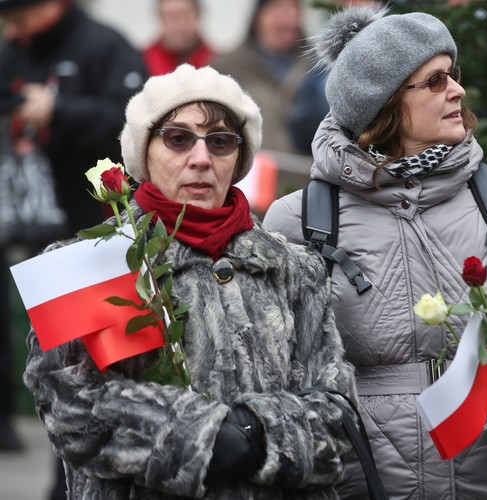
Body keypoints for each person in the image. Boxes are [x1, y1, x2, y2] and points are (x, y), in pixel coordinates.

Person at [263, 6, 487, 499]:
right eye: (434, 82)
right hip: (363, 480)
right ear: (382, 106)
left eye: (454, 75)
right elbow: (279, 375)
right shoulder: (301, 217)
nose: (457, 90)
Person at [23, 64, 358, 499]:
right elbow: (70, 412)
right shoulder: (85, 266)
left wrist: (256, 434)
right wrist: (204, 438)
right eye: (178, 139)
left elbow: (337, 415)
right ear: (145, 151)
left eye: (220, 141)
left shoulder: (295, 269)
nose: (201, 159)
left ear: (238, 158)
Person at [0, 0, 146, 460]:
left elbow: (135, 121)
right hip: (22, 220)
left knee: (100, 363)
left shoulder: (104, 45)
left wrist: (60, 112)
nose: (13, 29)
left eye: (21, 17)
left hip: (90, 233)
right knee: (50, 370)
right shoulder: (15, 49)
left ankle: (103, 464)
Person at [212, 0, 322, 155]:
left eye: (294, 10)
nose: (288, 20)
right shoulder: (228, 67)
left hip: (308, 169)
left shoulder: (318, 64)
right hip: (249, 170)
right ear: (258, 18)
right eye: (278, 11)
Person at [143, 0, 215, 76]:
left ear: (198, 17)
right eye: (170, 16)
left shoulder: (217, 64)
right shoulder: (141, 64)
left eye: (185, 15)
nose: (178, 26)